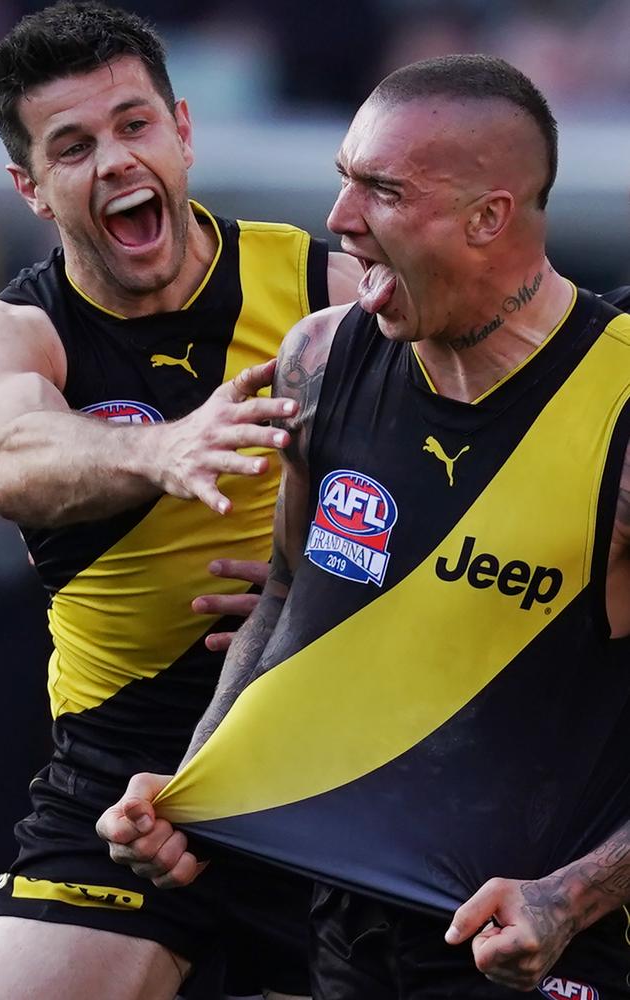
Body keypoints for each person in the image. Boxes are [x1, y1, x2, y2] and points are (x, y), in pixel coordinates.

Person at [98, 55, 630, 1000]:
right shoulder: (321, 355)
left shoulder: (619, 412)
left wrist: (569, 899)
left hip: (538, 952)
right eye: (344, 179)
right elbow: (287, 594)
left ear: (488, 218)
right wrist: (192, 789)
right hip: (349, 927)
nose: (340, 220)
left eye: (381, 190)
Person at [0, 3, 361, 999]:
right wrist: (163, 447)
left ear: (182, 130)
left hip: (340, 751)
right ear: (30, 187)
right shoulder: (23, 330)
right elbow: (11, 456)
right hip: (124, 764)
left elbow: (465, 470)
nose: (113, 160)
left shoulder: (328, 284)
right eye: (73, 147)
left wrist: (315, 596)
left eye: (133, 125)